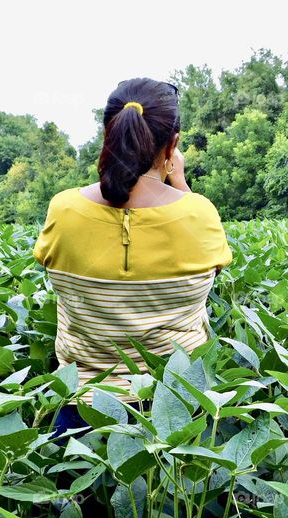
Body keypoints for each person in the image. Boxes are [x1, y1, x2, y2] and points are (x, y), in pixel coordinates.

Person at [33, 77, 233, 440]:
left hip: (82, 408)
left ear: (109, 134)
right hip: (177, 408)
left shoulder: (63, 209)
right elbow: (213, 270)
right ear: (172, 144)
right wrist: (179, 181)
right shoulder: (199, 213)